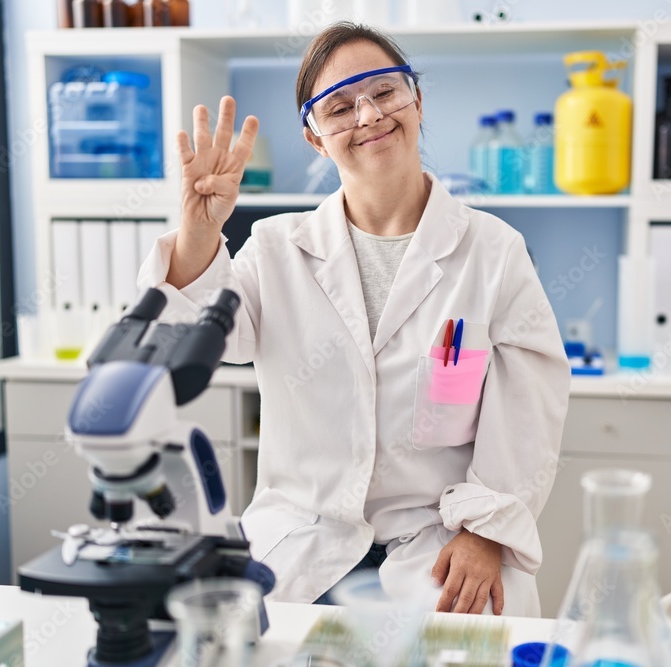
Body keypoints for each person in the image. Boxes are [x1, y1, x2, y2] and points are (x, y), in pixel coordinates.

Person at [139, 22, 570, 616]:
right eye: (338, 107)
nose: (368, 116)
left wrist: (485, 530)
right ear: (316, 139)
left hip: (440, 542)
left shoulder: (493, 251)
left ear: (416, 100)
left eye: (384, 92)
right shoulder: (275, 248)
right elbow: (188, 342)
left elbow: (530, 407)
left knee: (470, 646)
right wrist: (198, 231)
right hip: (301, 540)